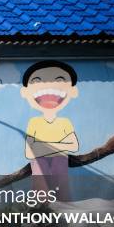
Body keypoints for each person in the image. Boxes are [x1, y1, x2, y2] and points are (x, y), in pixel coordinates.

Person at [20, 60, 80, 200]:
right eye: (36, 80)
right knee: (39, 162)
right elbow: (29, 152)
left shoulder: (65, 122)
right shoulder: (33, 122)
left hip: (59, 166)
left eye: (60, 79)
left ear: (73, 91)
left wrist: (41, 146)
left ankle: (61, 204)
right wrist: (60, 146)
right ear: (25, 92)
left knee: (59, 160)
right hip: (40, 166)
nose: (47, 85)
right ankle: (43, 205)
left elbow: (74, 146)